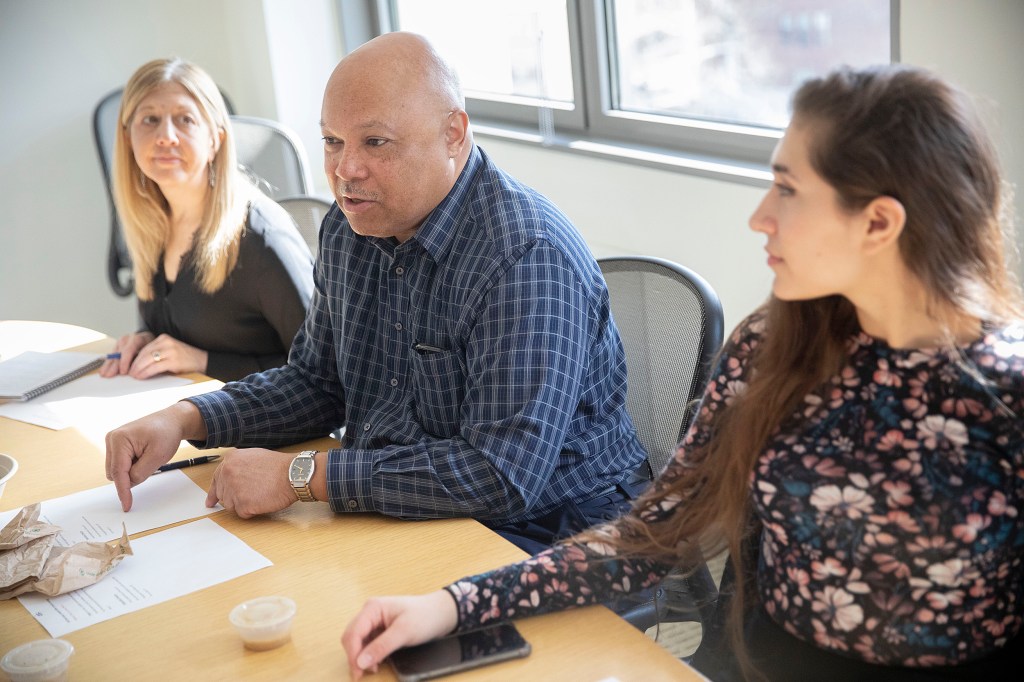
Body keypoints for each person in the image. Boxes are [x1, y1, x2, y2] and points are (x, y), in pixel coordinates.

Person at [340, 64, 1024, 681]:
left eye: (787, 189)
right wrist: (452, 606)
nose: (760, 217)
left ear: (878, 223)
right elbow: (652, 534)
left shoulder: (1006, 399)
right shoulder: (774, 347)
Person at [103, 33, 647, 553]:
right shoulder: (351, 226)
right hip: (415, 507)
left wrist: (301, 476)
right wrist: (182, 419)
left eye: (375, 142)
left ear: (453, 134)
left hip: (558, 528)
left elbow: (498, 475)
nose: (345, 170)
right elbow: (316, 384)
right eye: (333, 141)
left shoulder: (524, 255)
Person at [97, 57, 314, 383]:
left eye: (185, 119)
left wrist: (203, 361)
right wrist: (148, 340)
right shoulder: (150, 226)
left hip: (266, 429)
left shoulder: (259, 237)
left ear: (216, 139)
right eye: (150, 120)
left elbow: (323, 377)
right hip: (191, 418)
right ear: (127, 138)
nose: (165, 136)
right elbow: (179, 329)